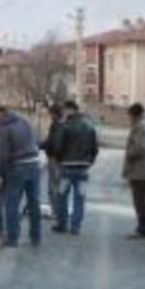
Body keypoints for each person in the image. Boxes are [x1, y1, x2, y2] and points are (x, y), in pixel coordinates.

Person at [0, 106, 42, 247]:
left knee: (12, 203)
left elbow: (0, 153)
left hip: (17, 167)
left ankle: (13, 238)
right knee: (34, 202)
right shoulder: (25, 122)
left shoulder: (3, 127)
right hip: (34, 164)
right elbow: (35, 141)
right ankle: (35, 237)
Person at [52, 101, 99, 236]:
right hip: (83, 168)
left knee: (62, 196)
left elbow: (58, 146)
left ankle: (62, 224)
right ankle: (76, 226)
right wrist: (89, 162)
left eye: (65, 110)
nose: (64, 113)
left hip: (66, 167)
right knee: (80, 198)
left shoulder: (65, 126)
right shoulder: (89, 126)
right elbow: (95, 148)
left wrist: (59, 160)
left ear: (69, 110)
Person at [123, 103, 145, 239]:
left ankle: (142, 229)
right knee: (144, 201)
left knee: (140, 201)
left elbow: (139, 148)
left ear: (134, 115)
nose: (129, 119)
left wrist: (129, 154)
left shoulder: (141, 127)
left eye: (130, 116)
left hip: (140, 170)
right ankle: (144, 228)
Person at [40, 104, 64, 220]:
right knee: (57, 185)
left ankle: (55, 211)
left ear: (54, 114)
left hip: (54, 159)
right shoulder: (62, 125)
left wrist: (42, 146)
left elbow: (54, 143)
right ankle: (57, 211)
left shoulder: (56, 126)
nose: (50, 116)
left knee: (53, 186)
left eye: (51, 114)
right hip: (59, 159)